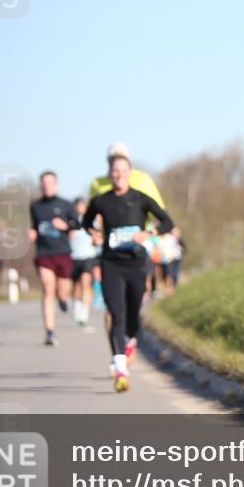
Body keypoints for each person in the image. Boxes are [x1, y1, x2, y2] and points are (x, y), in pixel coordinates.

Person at [83, 154, 176, 393]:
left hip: (136, 263)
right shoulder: (101, 200)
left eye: (123, 171)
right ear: (110, 173)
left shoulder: (141, 198)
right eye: (115, 171)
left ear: (130, 173)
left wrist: (149, 233)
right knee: (116, 313)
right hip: (111, 262)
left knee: (134, 310)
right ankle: (121, 369)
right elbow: (86, 221)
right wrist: (93, 233)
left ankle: (131, 341)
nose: (119, 175)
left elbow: (167, 222)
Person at [89, 142, 167, 353]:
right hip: (111, 250)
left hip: (139, 248)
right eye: (113, 160)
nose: (118, 172)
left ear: (129, 164)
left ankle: (129, 336)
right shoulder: (98, 184)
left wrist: (152, 238)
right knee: (113, 307)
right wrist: (94, 232)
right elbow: (91, 214)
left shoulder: (143, 180)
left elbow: (160, 213)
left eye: (122, 159)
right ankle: (117, 352)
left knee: (137, 296)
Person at [28, 171, 79, 346]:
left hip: (63, 252)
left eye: (50, 183)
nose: (47, 186)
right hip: (44, 252)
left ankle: (64, 298)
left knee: (62, 290)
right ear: (41, 186)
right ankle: (50, 332)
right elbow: (34, 225)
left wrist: (65, 226)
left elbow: (77, 224)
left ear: (56, 185)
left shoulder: (65, 204)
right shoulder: (35, 206)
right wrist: (33, 232)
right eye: (44, 183)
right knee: (48, 288)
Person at [69, 197, 102, 328]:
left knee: (85, 282)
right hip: (74, 256)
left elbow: (98, 236)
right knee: (76, 286)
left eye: (83, 205)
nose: (81, 208)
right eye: (78, 205)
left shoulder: (93, 221)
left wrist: (96, 239)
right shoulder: (72, 221)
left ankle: (85, 312)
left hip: (89, 256)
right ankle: (77, 307)